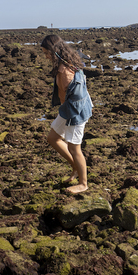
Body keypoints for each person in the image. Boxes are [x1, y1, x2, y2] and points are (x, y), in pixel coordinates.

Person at [41, 34, 93, 193]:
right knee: (53, 138)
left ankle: (83, 184)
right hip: (73, 107)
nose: (45, 56)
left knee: (74, 147)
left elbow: (64, 97)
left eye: (46, 52)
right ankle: (75, 166)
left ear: (53, 51)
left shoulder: (63, 70)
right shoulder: (72, 59)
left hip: (75, 112)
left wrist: (66, 116)